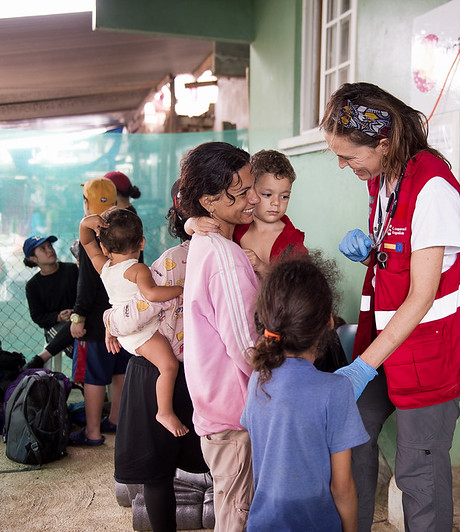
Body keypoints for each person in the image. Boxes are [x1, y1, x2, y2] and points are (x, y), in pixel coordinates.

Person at [321, 82, 460, 532]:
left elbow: (423, 294)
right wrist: (374, 250)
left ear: (384, 142)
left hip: (432, 349)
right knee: (353, 430)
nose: (342, 165)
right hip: (390, 340)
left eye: (349, 156)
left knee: (419, 470)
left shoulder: (433, 187)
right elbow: (401, 249)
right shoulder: (383, 176)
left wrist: (362, 367)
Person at [108, 180, 207, 532]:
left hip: (162, 370)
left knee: (158, 472)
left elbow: (134, 314)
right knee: (210, 462)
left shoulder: (173, 260)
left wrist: (108, 319)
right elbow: (142, 305)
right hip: (198, 372)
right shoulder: (237, 254)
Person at [241, 257, 368, 532]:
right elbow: (342, 486)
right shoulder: (335, 390)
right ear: (328, 322)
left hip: (263, 523)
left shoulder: (257, 380)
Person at [178, 141, 260, 532]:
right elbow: (247, 348)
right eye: (241, 192)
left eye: (251, 186)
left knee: (232, 508)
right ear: (209, 201)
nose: (254, 198)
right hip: (237, 417)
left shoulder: (203, 243)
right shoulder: (225, 259)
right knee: (237, 517)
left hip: (217, 409)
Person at [79, 207, 187, 437]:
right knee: (169, 366)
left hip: (123, 331)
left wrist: (87, 222)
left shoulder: (104, 267)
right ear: (142, 243)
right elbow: (152, 294)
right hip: (143, 334)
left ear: (105, 248)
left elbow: (86, 242)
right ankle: (164, 411)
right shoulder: (136, 269)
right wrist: (181, 289)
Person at [69, 177, 131, 447]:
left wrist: (77, 316)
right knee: (120, 371)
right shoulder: (126, 228)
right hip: (122, 316)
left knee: (93, 377)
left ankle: (92, 432)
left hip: (95, 322)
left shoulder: (91, 238)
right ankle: (116, 419)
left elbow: (86, 282)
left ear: (86, 203)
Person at [233, 149, 308, 277]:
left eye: (284, 196)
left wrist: (261, 267)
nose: (276, 203)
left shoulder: (292, 241)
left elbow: (297, 286)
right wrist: (191, 224)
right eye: (267, 195)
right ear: (250, 191)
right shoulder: (237, 224)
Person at [22, 235, 78, 370]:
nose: (49, 250)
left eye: (50, 246)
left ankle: (83, 381)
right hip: (56, 326)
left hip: (79, 319)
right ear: (33, 259)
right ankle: (83, 380)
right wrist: (58, 317)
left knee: (82, 335)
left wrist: (75, 312)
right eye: (43, 248)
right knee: (77, 340)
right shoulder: (33, 285)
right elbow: (38, 317)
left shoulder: (72, 270)